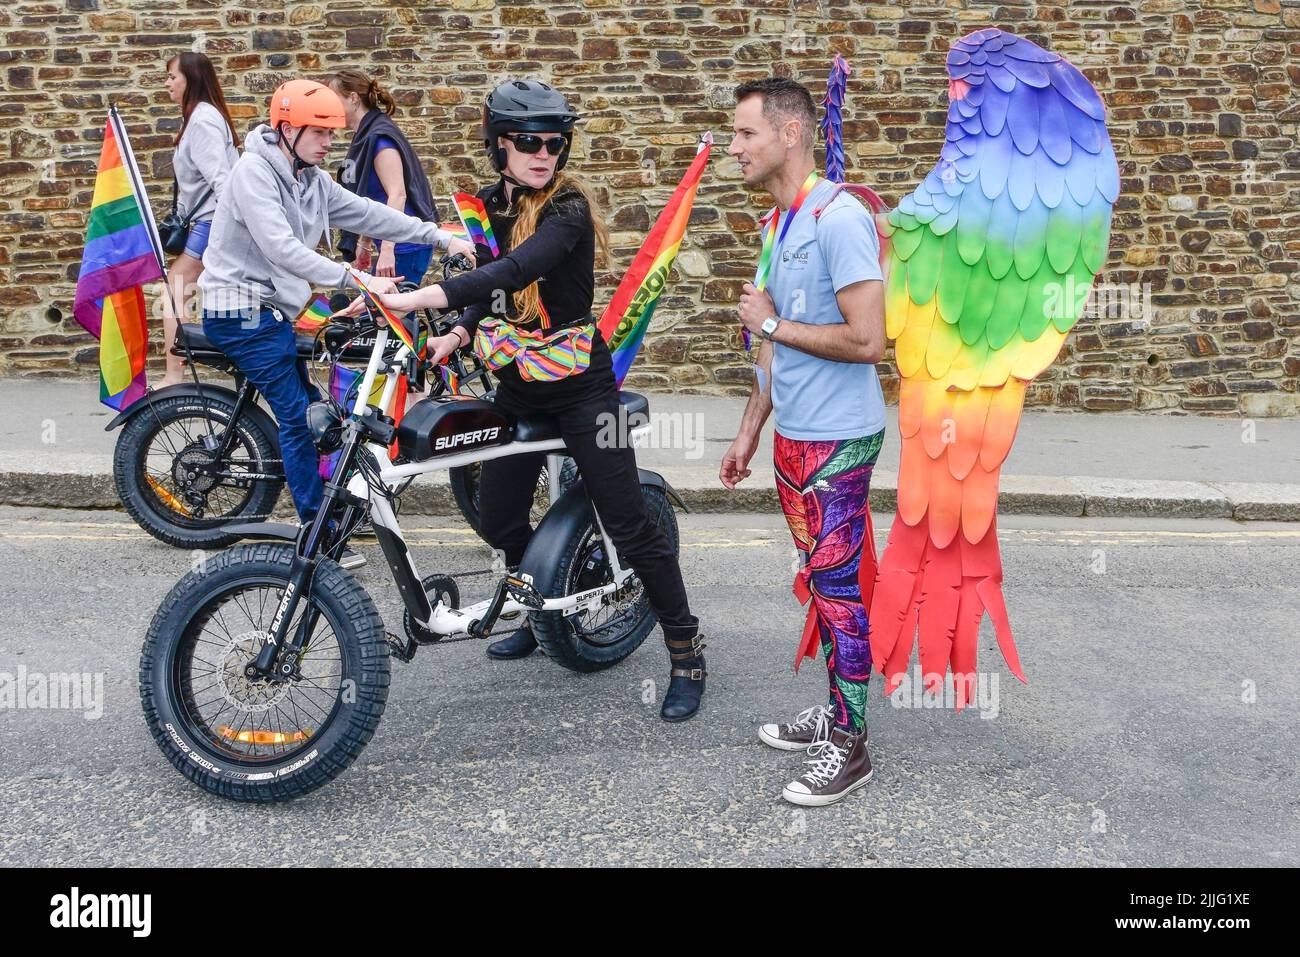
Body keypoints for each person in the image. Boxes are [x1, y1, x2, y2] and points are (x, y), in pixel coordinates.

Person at [348, 79, 708, 722]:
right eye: (529, 142)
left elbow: (513, 273)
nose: (545, 154)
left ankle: (685, 649)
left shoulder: (567, 209)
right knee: (497, 516)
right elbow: (490, 297)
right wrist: (456, 334)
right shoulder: (487, 208)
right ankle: (533, 600)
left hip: (583, 389)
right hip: (516, 385)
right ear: (500, 146)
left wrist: (420, 299)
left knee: (627, 522)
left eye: (555, 142)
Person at [196, 79, 476, 547]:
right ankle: (316, 533)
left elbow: (369, 213)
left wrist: (441, 237)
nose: (330, 143)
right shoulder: (253, 174)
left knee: (322, 411)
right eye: (319, 133)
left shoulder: (309, 178)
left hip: (272, 310)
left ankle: (336, 501)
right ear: (287, 129)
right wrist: (358, 278)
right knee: (298, 413)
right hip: (239, 311)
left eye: (332, 133)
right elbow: (281, 248)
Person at [720, 77, 887, 804]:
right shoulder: (775, 225)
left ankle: (852, 745)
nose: (733, 148)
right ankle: (835, 714)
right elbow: (771, 352)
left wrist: (770, 324)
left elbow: (869, 340)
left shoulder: (838, 219)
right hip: (793, 435)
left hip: (839, 439)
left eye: (745, 134)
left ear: (790, 133)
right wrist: (750, 430)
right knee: (821, 585)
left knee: (839, 590)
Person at [161, 52, 239, 386]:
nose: (167, 83)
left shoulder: (203, 120)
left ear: (190, 79)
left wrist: (223, 236)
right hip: (208, 222)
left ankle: (174, 376)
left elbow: (222, 182)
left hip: (211, 222)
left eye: (172, 76)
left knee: (173, 291)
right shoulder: (200, 116)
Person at [328, 70, 441, 287]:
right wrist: (365, 243)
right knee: (381, 315)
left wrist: (388, 249)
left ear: (353, 98)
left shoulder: (379, 138)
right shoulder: (366, 136)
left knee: (388, 317)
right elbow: (372, 198)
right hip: (395, 244)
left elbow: (397, 194)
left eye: (333, 100)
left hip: (405, 246)